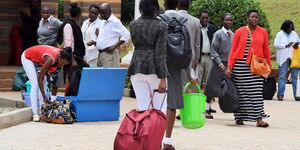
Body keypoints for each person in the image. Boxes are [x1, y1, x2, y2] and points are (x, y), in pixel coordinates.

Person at [226, 10, 271, 127]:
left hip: (256, 67)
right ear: (248, 18)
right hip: (240, 67)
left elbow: (266, 49)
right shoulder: (239, 31)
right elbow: (233, 50)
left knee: (256, 93)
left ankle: (259, 119)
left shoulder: (263, 32)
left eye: (256, 17)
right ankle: (239, 117)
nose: (254, 19)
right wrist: (229, 66)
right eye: (252, 17)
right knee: (241, 93)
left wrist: (268, 66)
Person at [128, 0, 168, 114]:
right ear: (155, 9)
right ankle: (157, 132)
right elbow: (160, 53)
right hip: (154, 69)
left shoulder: (133, 25)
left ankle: (143, 132)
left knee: (142, 107)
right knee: (160, 108)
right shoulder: (162, 26)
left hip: (136, 68)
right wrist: (163, 78)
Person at [160, 0, 189, 149]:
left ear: (164, 4)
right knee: (172, 105)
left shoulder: (159, 20)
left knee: (157, 104)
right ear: (177, 5)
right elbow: (189, 48)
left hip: (159, 66)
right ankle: (168, 141)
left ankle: (155, 139)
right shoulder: (184, 22)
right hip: (176, 66)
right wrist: (190, 74)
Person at [21, 45, 72, 121]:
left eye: (64, 64)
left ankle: (42, 112)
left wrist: (50, 98)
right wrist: (45, 96)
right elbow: (40, 78)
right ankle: (35, 113)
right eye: (62, 63)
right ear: (60, 58)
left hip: (38, 60)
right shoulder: (50, 59)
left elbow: (53, 82)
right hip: (27, 57)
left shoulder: (62, 55)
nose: (62, 65)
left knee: (44, 83)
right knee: (34, 83)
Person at [204, 13, 234, 119]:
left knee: (230, 88)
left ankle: (232, 109)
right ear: (222, 21)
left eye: (231, 20)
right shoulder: (218, 34)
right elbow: (214, 51)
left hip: (229, 65)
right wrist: (220, 63)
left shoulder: (233, 34)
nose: (229, 22)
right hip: (217, 65)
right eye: (227, 20)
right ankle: (206, 109)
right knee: (211, 88)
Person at [57, 3, 86, 96]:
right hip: (71, 59)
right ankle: (70, 102)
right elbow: (68, 44)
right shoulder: (68, 26)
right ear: (79, 15)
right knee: (74, 82)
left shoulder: (75, 25)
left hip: (78, 58)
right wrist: (73, 60)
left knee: (77, 82)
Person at [91, 3, 130, 67]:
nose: (101, 15)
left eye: (103, 13)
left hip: (109, 55)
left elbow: (126, 34)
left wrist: (114, 46)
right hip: (101, 54)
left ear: (109, 11)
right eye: (100, 13)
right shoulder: (104, 21)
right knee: (102, 76)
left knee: (109, 76)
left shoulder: (115, 21)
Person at [37, 5, 63, 96]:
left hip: (51, 51)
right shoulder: (41, 21)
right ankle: (45, 96)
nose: (45, 14)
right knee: (44, 73)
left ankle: (53, 97)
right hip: (41, 51)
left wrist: (58, 40)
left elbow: (64, 27)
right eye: (43, 12)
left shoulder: (55, 21)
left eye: (47, 13)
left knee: (55, 73)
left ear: (50, 13)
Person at [197, 9, 217, 119]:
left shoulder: (212, 28)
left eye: (206, 18)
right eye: (203, 18)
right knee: (197, 83)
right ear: (199, 18)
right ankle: (197, 108)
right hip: (200, 58)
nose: (205, 20)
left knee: (209, 84)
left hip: (210, 58)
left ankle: (206, 108)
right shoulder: (196, 28)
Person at [274, 20, 300, 101]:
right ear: (285, 28)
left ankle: (297, 95)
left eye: (291, 28)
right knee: (282, 76)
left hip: (293, 58)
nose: (290, 30)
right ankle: (280, 95)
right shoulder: (280, 34)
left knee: (295, 77)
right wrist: (285, 45)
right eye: (289, 28)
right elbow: (275, 45)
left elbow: (299, 43)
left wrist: (297, 45)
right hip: (283, 58)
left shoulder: (294, 34)